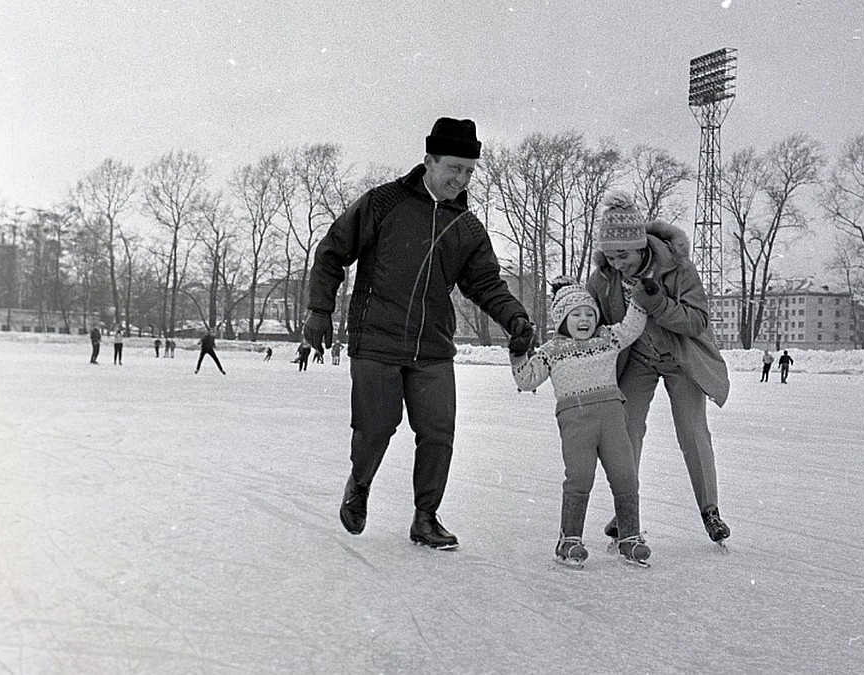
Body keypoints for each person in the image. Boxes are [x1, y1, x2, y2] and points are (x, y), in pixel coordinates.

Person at [304, 117, 534, 551]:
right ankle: (360, 483)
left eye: (468, 171)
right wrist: (320, 309)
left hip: (432, 346)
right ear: (428, 160)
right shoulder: (382, 203)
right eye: (454, 168)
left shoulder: (465, 227)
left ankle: (425, 518)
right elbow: (333, 252)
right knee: (376, 426)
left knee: (438, 433)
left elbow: (486, 284)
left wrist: (516, 319)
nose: (461, 178)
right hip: (376, 339)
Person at [586, 193, 731, 545]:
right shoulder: (603, 279)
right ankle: (626, 513)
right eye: (610, 255)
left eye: (624, 255)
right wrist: (570, 303)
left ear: (640, 247)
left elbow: (697, 321)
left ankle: (710, 510)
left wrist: (658, 304)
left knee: (693, 433)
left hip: (681, 357)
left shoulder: (677, 267)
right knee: (626, 431)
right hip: (638, 359)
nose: (617, 263)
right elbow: (590, 320)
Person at [511, 279, 651, 567]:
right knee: (579, 479)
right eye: (575, 314)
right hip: (576, 425)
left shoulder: (608, 339)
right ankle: (569, 540)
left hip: (612, 419)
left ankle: (630, 538)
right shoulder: (551, 351)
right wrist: (517, 352)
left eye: (589, 313)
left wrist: (641, 295)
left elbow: (632, 326)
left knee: (625, 476)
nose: (584, 319)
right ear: (562, 319)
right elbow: (526, 380)